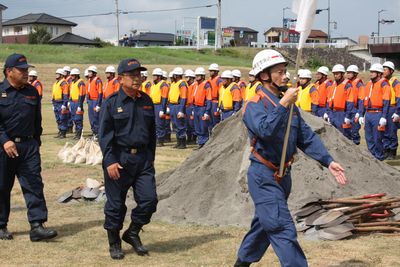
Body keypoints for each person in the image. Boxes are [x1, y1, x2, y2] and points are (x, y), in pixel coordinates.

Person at [234, 49, 347, 267]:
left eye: (286, 71)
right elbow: (264, 130)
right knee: (281, 226)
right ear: (265, 75)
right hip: (263, 176)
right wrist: (283, 103)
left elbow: (304, 135)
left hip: (283, 176)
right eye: (280, 72)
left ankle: (242, 263)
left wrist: (328, 161)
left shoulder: (288, 105)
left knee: (264, 225)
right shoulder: (253, 104)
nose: (286, 76)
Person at [99, 58, 158, 260]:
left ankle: (132, 232)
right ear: (121, 78)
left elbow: (152, 134)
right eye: (132, 75)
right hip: (119, 159)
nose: (137, 79)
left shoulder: (147, 101)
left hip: (142, 160)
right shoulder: (112, 103)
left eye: (139, 75)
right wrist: (109, 161)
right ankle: (114, 242)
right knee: (116, 205)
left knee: (150, 200)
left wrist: (150, 158)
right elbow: (104, 135)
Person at [0, 53, 58, 242]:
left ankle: (37, 226)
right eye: (22, 70)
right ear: (9, 72)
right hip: (4, 147)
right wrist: (4, 141)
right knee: (2, 187)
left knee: (34, 185)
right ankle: (1, 225)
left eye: (27, 69)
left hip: (28, 146)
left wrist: (36, 142)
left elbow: (37, 120)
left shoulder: (32, 92)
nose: (26, 73)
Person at [358, 63, 391, 161]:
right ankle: (373, 158)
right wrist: (361, 114)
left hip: (378, 113)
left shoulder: (384, 84)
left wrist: (384, 116)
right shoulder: (368, 84)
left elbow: (386, 101)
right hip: (368, 114)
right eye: (371, 72)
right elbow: (364, 100)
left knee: (377, 138)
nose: (371, 74)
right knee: (369, 138)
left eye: (373, 72)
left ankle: (379, 158)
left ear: (379, 73)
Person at [324, 64, 354, 140]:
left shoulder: (347, 85)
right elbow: (329, 100)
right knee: (332, 136)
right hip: (332, 113)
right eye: (334, 74)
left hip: (342, 114)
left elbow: (350, 102)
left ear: (342, 74)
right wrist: (327, 112)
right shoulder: (333, 85)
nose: (335, 75)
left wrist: (347, 116)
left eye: (337, 73)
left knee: (343, 136)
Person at [382, 61, 400, 159]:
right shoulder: (382, 82)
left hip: (393, 108)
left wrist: (398, 112)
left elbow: (399, 97)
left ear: (391, 71)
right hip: (384, 108)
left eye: (385, 70)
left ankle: (392, 151)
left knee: (392, 131)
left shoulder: (395, 82)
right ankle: (386, 149)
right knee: (384, 130)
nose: (383, 71)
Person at [168, 67, 188, 149]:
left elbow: (183, 98)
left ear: (177, 75)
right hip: (172, 106)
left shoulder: (182, 84)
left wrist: (181, 110)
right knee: (175, 125)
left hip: (178, 105)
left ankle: (182, 143)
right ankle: (178, 142)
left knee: (180, 125)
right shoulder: (173, 84)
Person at [192, 67, 212, 149]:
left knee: (203, 126)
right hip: (196, 107)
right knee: (197, 126)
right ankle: (200, 143)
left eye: (198, 76)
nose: (196, 77)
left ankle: (204, 143)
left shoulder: (206, 85)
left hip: (203, 108)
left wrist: (207, 111)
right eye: (196, 76)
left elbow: (209, 98)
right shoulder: (196, 85)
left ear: (202, 76)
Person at [150, 68, 169, 146]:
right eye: (153, 75)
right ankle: (156, 139)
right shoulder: (154, 85)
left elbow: (164, 98)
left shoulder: (163, 85)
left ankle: (160, 140)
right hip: (153, 105)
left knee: (160, 124)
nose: (153, 77)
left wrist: (162, 109)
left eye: (155, 75)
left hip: (159, 105)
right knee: (154, 123)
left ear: (159, 76)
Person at [346, 65, 364, 145]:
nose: (348, 74)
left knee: (354, 131)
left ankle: (356, 146)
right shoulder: (347, 83)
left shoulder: (359, 85)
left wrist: (359, 113)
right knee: (346, 131)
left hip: (355, 110)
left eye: (350, 73)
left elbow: (361, 100)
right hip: (347, 110)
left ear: (355, 74)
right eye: (347, 73)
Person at [52, 68, 69, 138]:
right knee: (58, 118)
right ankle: (60, 131)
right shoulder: (56, 83)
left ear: (61, 75)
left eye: (57, 74)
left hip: (61, 103)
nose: (56, 75)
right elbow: (54, 93)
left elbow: (65, 94)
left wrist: (64, 104)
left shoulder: (64, 83)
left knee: (63, 118)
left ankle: (63, 132)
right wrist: (53, 103)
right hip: (56, 103)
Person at [86, 65, 103, 139]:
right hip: (90, 101)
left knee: (96, 117)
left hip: (95, 101)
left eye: (90, 72)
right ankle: (94, 132)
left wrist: (98, 104)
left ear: (94, 73)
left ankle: (98, 133)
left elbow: (100, 93)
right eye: (88, 71)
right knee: (91, 118)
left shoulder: (97, 81)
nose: (88, 73)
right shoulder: (89, 80)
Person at [69, 68, 86, 139]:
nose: (71, 77)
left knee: (78, 119)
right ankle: (76, 133)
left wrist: (80, 105)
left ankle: (79, 133)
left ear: (76, 75)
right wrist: (69, 102)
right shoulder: (72, 83)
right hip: (72, 102)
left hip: (78, 103)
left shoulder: (80, 83)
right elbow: (71, 93)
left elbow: (82, 94)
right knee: (74, 118)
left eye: (72, 76)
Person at [208, 63, 223, 130]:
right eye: (210, 70)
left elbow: (221, 94)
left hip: (215, 103)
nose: (210, 72)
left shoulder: (219, 80)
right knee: (209, 121)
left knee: (215, 121)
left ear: (216, 71)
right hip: (210, 102)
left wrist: (219, 106)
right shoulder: (209, 80)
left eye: (212, 71)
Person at [184, 69, 196, 144]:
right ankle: (189, 138)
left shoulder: (195, 86)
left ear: (191, 78)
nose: (186, 79)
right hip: (187, 106)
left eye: (187, 77)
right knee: (187, 124)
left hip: (192, 106)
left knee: (192, 123)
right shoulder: (187, 86)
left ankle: (194, 138)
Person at [63, 66, 74, 133]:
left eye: (65, 71)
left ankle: (70, 127)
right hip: (67, 98)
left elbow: (70, 89)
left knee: (69, 113)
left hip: (69, 98)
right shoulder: (66, 79)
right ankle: (68, 126)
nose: (63, 73)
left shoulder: (69, 80)